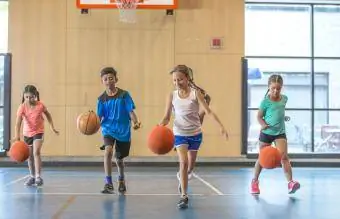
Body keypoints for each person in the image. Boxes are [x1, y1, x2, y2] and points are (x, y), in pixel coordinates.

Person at [159, 64, 228, 209]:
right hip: (179, 134)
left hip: (195, 133)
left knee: (190, 166)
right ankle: (184, 196)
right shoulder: (171, 95)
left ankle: (184, 175)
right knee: (183, 163)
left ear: (187, 78)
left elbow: (208, 111)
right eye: (174, 80)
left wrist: (221, 126)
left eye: (180, 79)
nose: (177, 83)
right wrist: (160, 127)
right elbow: (166, 117)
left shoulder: (196, 94)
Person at [250, 74, 300, 195]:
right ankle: (254, 182)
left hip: (280, 133)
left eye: (278, 88)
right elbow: (259, 117)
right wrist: (263, 124)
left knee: (284, 157)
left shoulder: (284, 99)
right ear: (269, 87)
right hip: (266, 133)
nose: (276, 90)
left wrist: (283, 117)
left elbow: (279, 111)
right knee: (261, 159)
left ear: (281, 88)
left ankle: (290, 183)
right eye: (273, 88)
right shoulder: (265, 102)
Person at [97, 67, 141, 194]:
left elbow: (130, 111)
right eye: (105, 79)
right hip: (108, 129)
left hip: (123, 130)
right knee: (108, 151)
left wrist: (135, 122)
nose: (108, 81)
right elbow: (99, 118)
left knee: (119, 160)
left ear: (116, 79)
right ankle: (108, 183)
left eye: (111, 78)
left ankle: (121, 179)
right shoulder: (101, 99)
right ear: (102, 82)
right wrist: (92, 126)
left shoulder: (124, 95)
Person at [13, 85, 59, 186]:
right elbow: (18, 123)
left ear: (35, 95)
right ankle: (32, 176)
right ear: (24, 97)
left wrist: (52, 126)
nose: (29, 99)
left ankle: (38, 177)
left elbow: (48, 115)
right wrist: (17, 137)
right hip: (27, 133)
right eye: (26, 97)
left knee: (36, 152)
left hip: (38, 131)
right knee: (29, 156)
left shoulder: (40, 105)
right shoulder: (22, 107)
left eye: (31, 97)